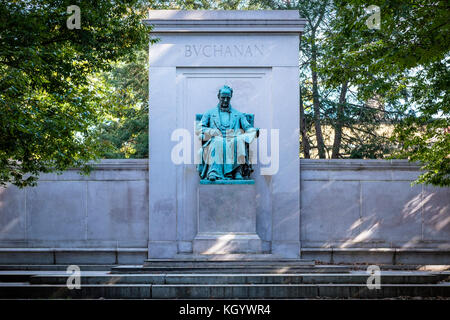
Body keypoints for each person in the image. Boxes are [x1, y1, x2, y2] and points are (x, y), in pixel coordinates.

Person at [196, 85, 259, 181]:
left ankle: (237, 172)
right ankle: (214, 171)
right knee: (218, 141)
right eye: (223, 98)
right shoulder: (209, 113)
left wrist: (254, 131)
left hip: (233, 138)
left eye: (228, 98)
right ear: (218, 97)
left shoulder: (238, 114)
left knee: (239, 140)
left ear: (231, 98)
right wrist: (212, 131)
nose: (225, 100)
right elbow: (199, 128)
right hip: (216, 139)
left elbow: (247, 127)